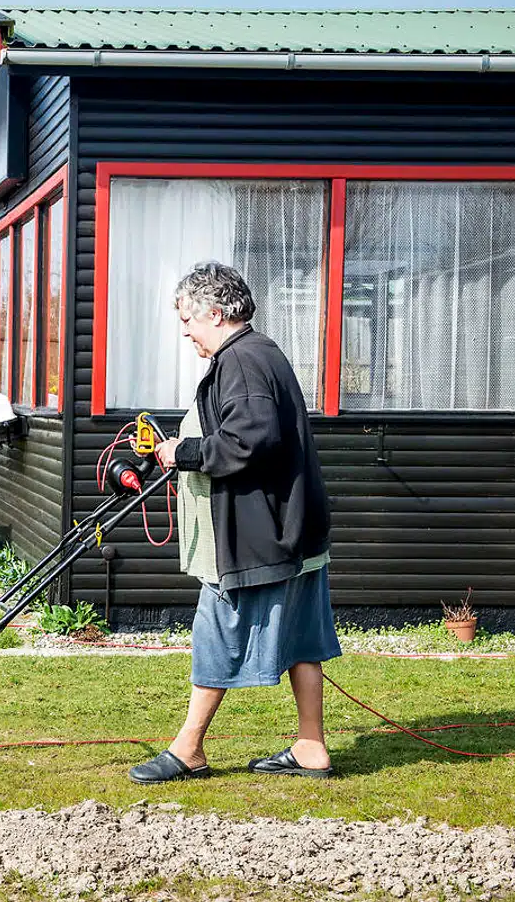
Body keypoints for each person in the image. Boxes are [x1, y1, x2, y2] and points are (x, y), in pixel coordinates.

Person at [128, 262, 341, 784]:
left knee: (215, 634)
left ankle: (188, 750)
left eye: (187, 319)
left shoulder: (240, 360)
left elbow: (252, 439)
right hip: (293, 529)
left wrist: (185, 452)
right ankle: (311, 746)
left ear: (215, 314)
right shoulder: (262, 351)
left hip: (259, 536)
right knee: (303, 639)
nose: (184, 331)